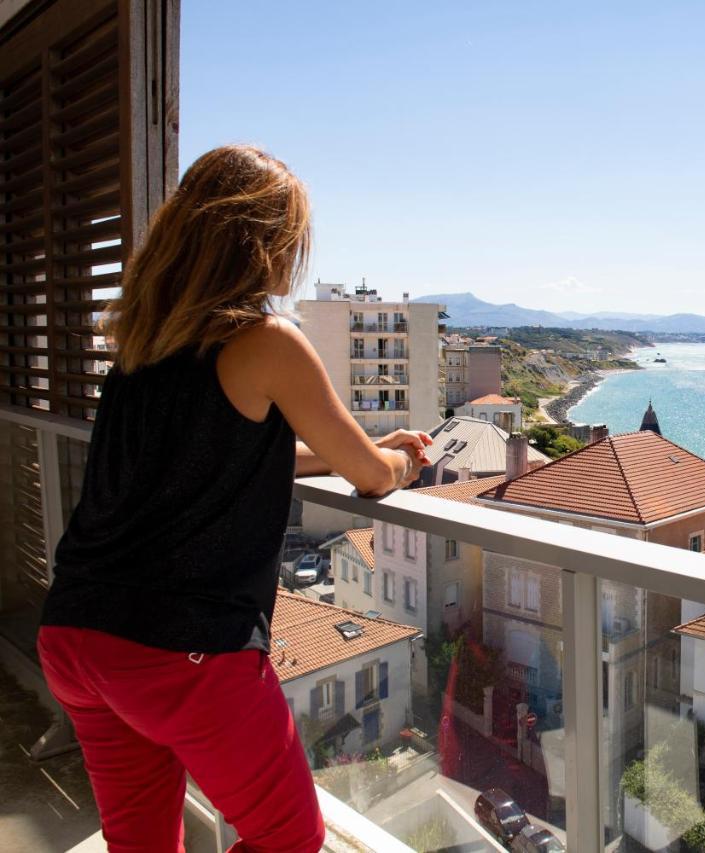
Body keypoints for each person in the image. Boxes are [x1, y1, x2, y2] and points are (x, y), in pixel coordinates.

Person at [37, 144, 430, 852]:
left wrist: (362, 454)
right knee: (288, 838)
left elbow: (233, 455)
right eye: (292, 239)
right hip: (180, 649)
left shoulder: (141, 345)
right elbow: (369, 477)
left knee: (141, 844)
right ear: (261, 241)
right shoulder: (266, 340)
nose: (295, 259)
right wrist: (397, 459)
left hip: (77, 632)